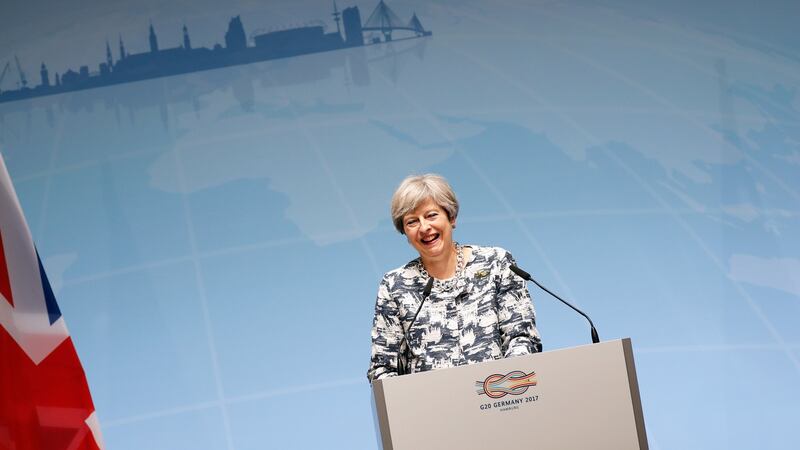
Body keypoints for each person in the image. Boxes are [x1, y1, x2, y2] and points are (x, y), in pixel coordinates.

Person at [367, 174, 542, 382]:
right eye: (412, 221)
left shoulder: (496, 263)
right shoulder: (394, 286)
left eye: (431, 215)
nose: (424, 227)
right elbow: (382, 369)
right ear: (405, 232)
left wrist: (502, 388)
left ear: (451, 217)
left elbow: (522, 339)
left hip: (499, 400)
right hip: (430, 410)